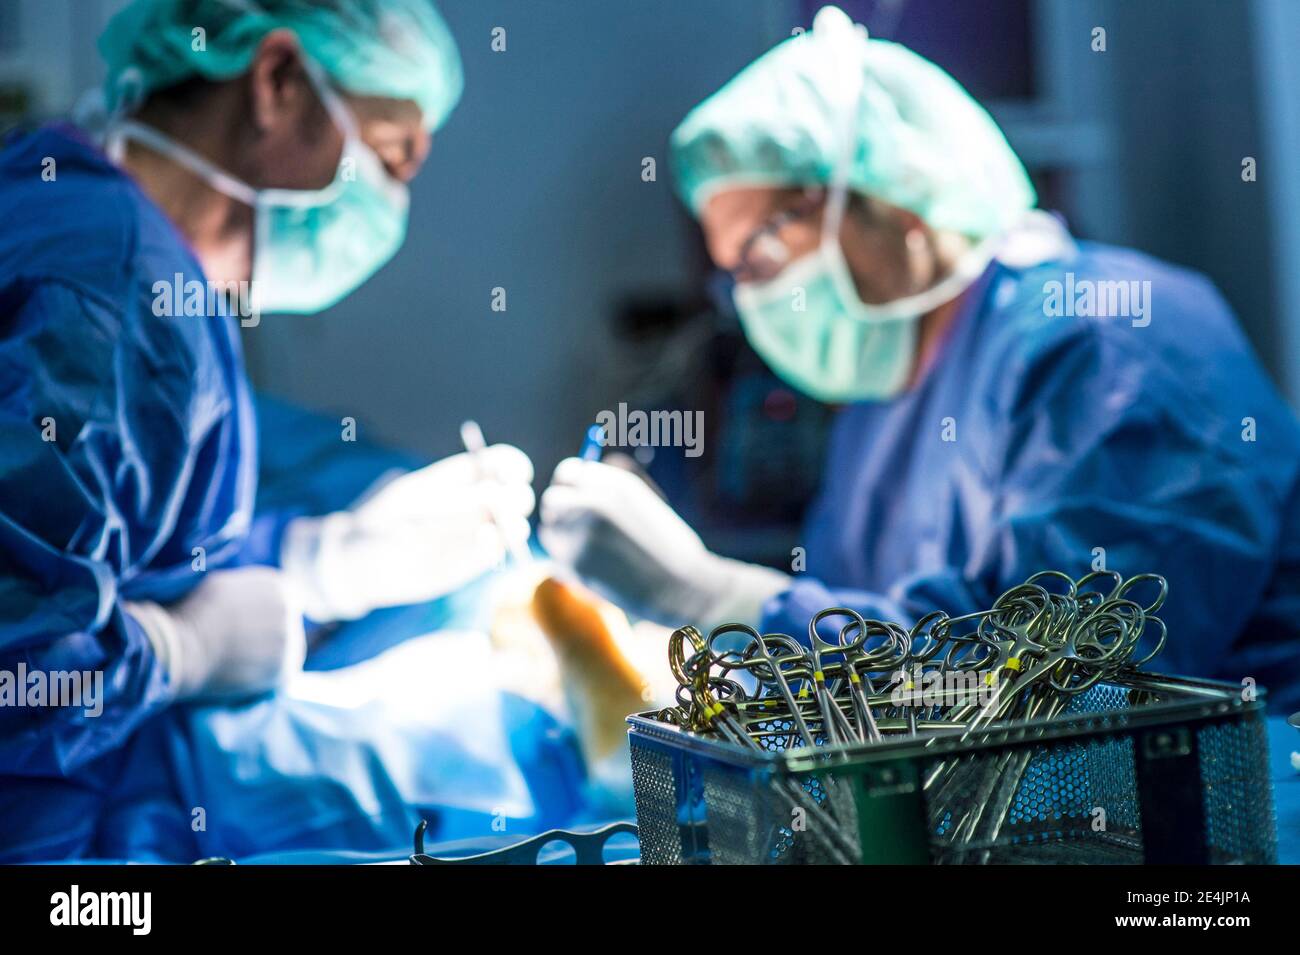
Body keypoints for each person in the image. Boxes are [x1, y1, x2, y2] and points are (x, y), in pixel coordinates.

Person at [540, 5, 1300, 712]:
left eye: (760, 253)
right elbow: (893, 648)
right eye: (732, 275)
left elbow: (1061, 691)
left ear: (894, 200)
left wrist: (714, 600)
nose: (746, 300)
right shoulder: (890, 396)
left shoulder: (1112, 345)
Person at [0, 0, 539, 860]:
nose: (393, 203)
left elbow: (117, 549)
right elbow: (20, 665)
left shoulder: (57, 198)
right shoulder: (114, 296)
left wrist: (324, 559)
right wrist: (184, 650)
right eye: (392, 155)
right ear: (279, 82)